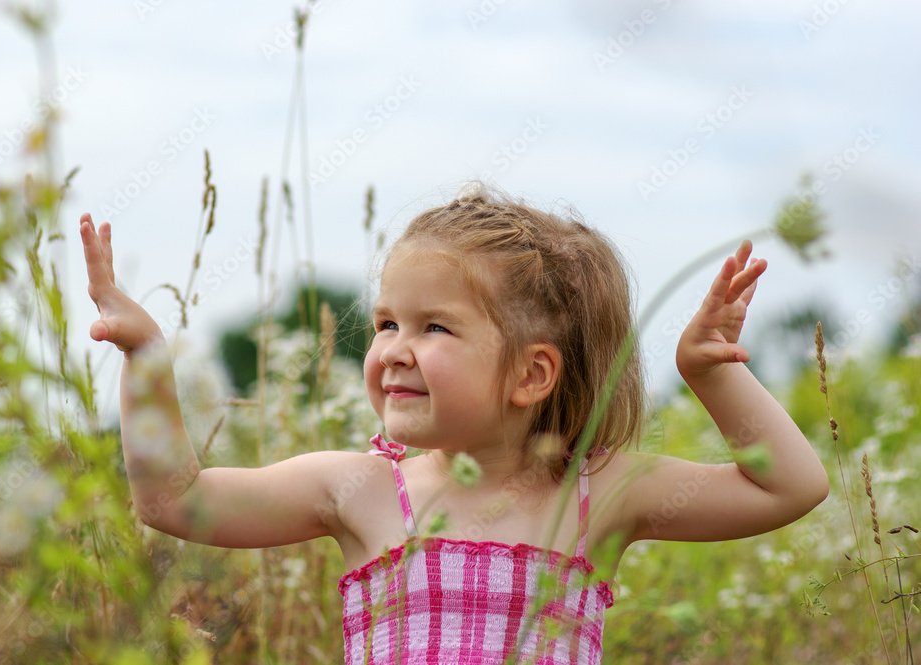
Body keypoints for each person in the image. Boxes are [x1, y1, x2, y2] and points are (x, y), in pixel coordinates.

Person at [79, 183, 829, 664]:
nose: (394, 350)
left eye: (434, 327)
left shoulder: (600, 491)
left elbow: (791, 486)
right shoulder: (359, 487)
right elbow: (175, 498)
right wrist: (145, 357)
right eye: (385, 321)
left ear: (533, 374)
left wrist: (711, 371)